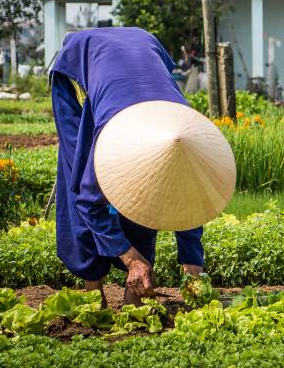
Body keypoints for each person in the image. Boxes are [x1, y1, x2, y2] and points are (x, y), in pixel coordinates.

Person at [50, 27, 206, 307]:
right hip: (84, 66)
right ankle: (93, 297)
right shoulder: (115, 136)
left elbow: (187, 200)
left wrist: (192, 262)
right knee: (80, 176)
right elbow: (89, 203)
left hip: (144, 50)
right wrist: (131, 259)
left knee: (145, 201)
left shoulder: (183, 136)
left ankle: (132, 304)